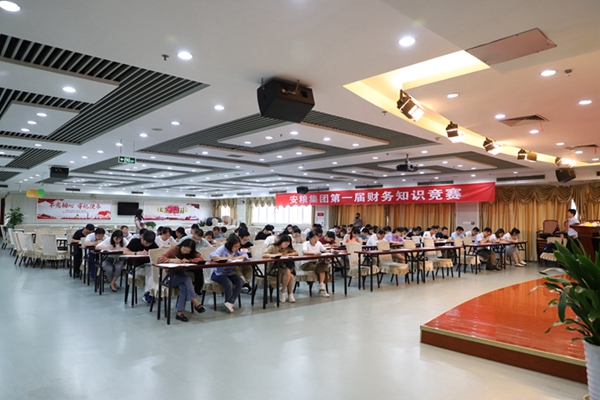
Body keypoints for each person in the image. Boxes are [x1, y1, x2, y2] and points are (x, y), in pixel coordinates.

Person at [156, 239, 206, 321]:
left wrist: (189, 260)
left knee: (184, 287)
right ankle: (195, 301)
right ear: (181, 246)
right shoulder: (174, 249)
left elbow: (201, 259)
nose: (185, 252)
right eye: (184, 249)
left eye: (188, 251)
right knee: (187, 278)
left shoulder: (191, 253)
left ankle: (179, 313)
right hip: (170, 278)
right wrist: (172, 260)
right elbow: (159, 259)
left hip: (182, 277)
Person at [209, 235, 248, 313]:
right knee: (229, 283)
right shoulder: (222, 249)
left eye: (238, 246)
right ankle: (227, 301)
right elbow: (213, 257)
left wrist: (237, 258)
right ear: (230, 245)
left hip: (229, 272)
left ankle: (230, 302)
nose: (237, 248)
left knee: (240, 281)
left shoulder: (235, 251)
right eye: (235, 246)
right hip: (217, 273)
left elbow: (245, 255)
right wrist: (227, 258)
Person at [123, 230, 159, 304]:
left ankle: (149, 293)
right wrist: (136, 253)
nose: (148, 245)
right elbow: (125, 252)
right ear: (142, 238)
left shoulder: (152, 244)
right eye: (146, 242)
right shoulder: (134, 241)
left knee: (153, 270)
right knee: (152, 272)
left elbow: (157, 253)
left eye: (150, 243)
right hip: (135, 268)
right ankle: (149, 293)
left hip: (147, 267)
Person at [263, 235, 299, 303]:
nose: (286, 246)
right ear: (281, 242)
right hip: (273, 269)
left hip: (283, 267)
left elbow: (296, 253)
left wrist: (288, 254)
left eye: (288, 244)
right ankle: (287, 293)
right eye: (285, 244)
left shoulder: (287, 248)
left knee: (290, 274)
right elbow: (264, 255)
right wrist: (274, 255)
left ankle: (285, 292)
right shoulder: (273, 246)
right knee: (290, 274)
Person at [301, 231, 331, 297]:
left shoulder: (319, 243)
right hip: (306, 264)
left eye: (317, 238)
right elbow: (304, 251)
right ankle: (322, 289)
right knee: (323, 267)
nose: (316, 240)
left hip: (315, 263)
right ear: (309, 238)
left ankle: (321, 287)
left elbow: (324, 250)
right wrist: (314, 253)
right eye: (314, 238)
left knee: (323, 265)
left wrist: (330, 251)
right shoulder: (306, 243)